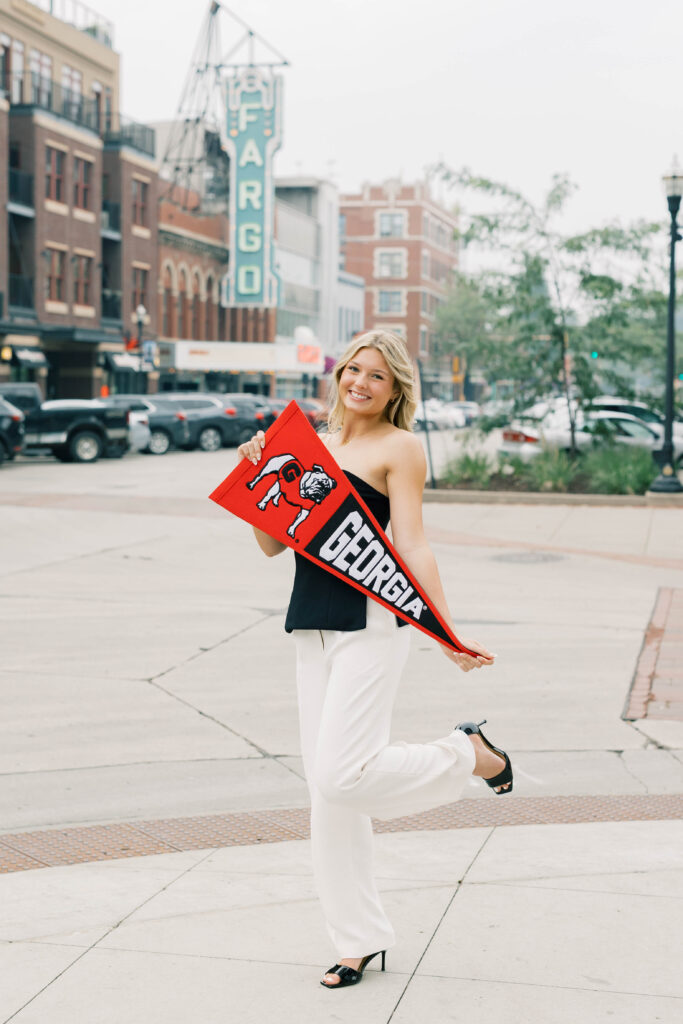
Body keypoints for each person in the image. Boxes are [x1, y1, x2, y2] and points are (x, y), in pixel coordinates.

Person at [237, 330, 512, 990]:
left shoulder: (399, 448)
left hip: (373, 624)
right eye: (353, 369)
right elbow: (272, 545)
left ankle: (465, 754)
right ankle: (356, 939)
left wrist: (443, 629)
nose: (360, 381)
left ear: (395, 391)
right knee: (329, 796)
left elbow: (411, 543)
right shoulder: (308, 444)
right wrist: (258, 477)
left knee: (341, 775)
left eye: (377, 376)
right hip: (312, 624)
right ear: (339, 374)